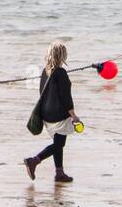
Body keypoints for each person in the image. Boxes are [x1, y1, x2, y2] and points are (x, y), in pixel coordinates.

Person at [24, 42, 81, 183]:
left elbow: (41, 92)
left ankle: (59, 173)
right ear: (62, 55)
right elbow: (66, 97)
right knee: (59, 144)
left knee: (57, 142)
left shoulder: (45, 71)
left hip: (46, 114)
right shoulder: (61, 73)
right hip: (58, 115)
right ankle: (34, 160)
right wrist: (74, 116)